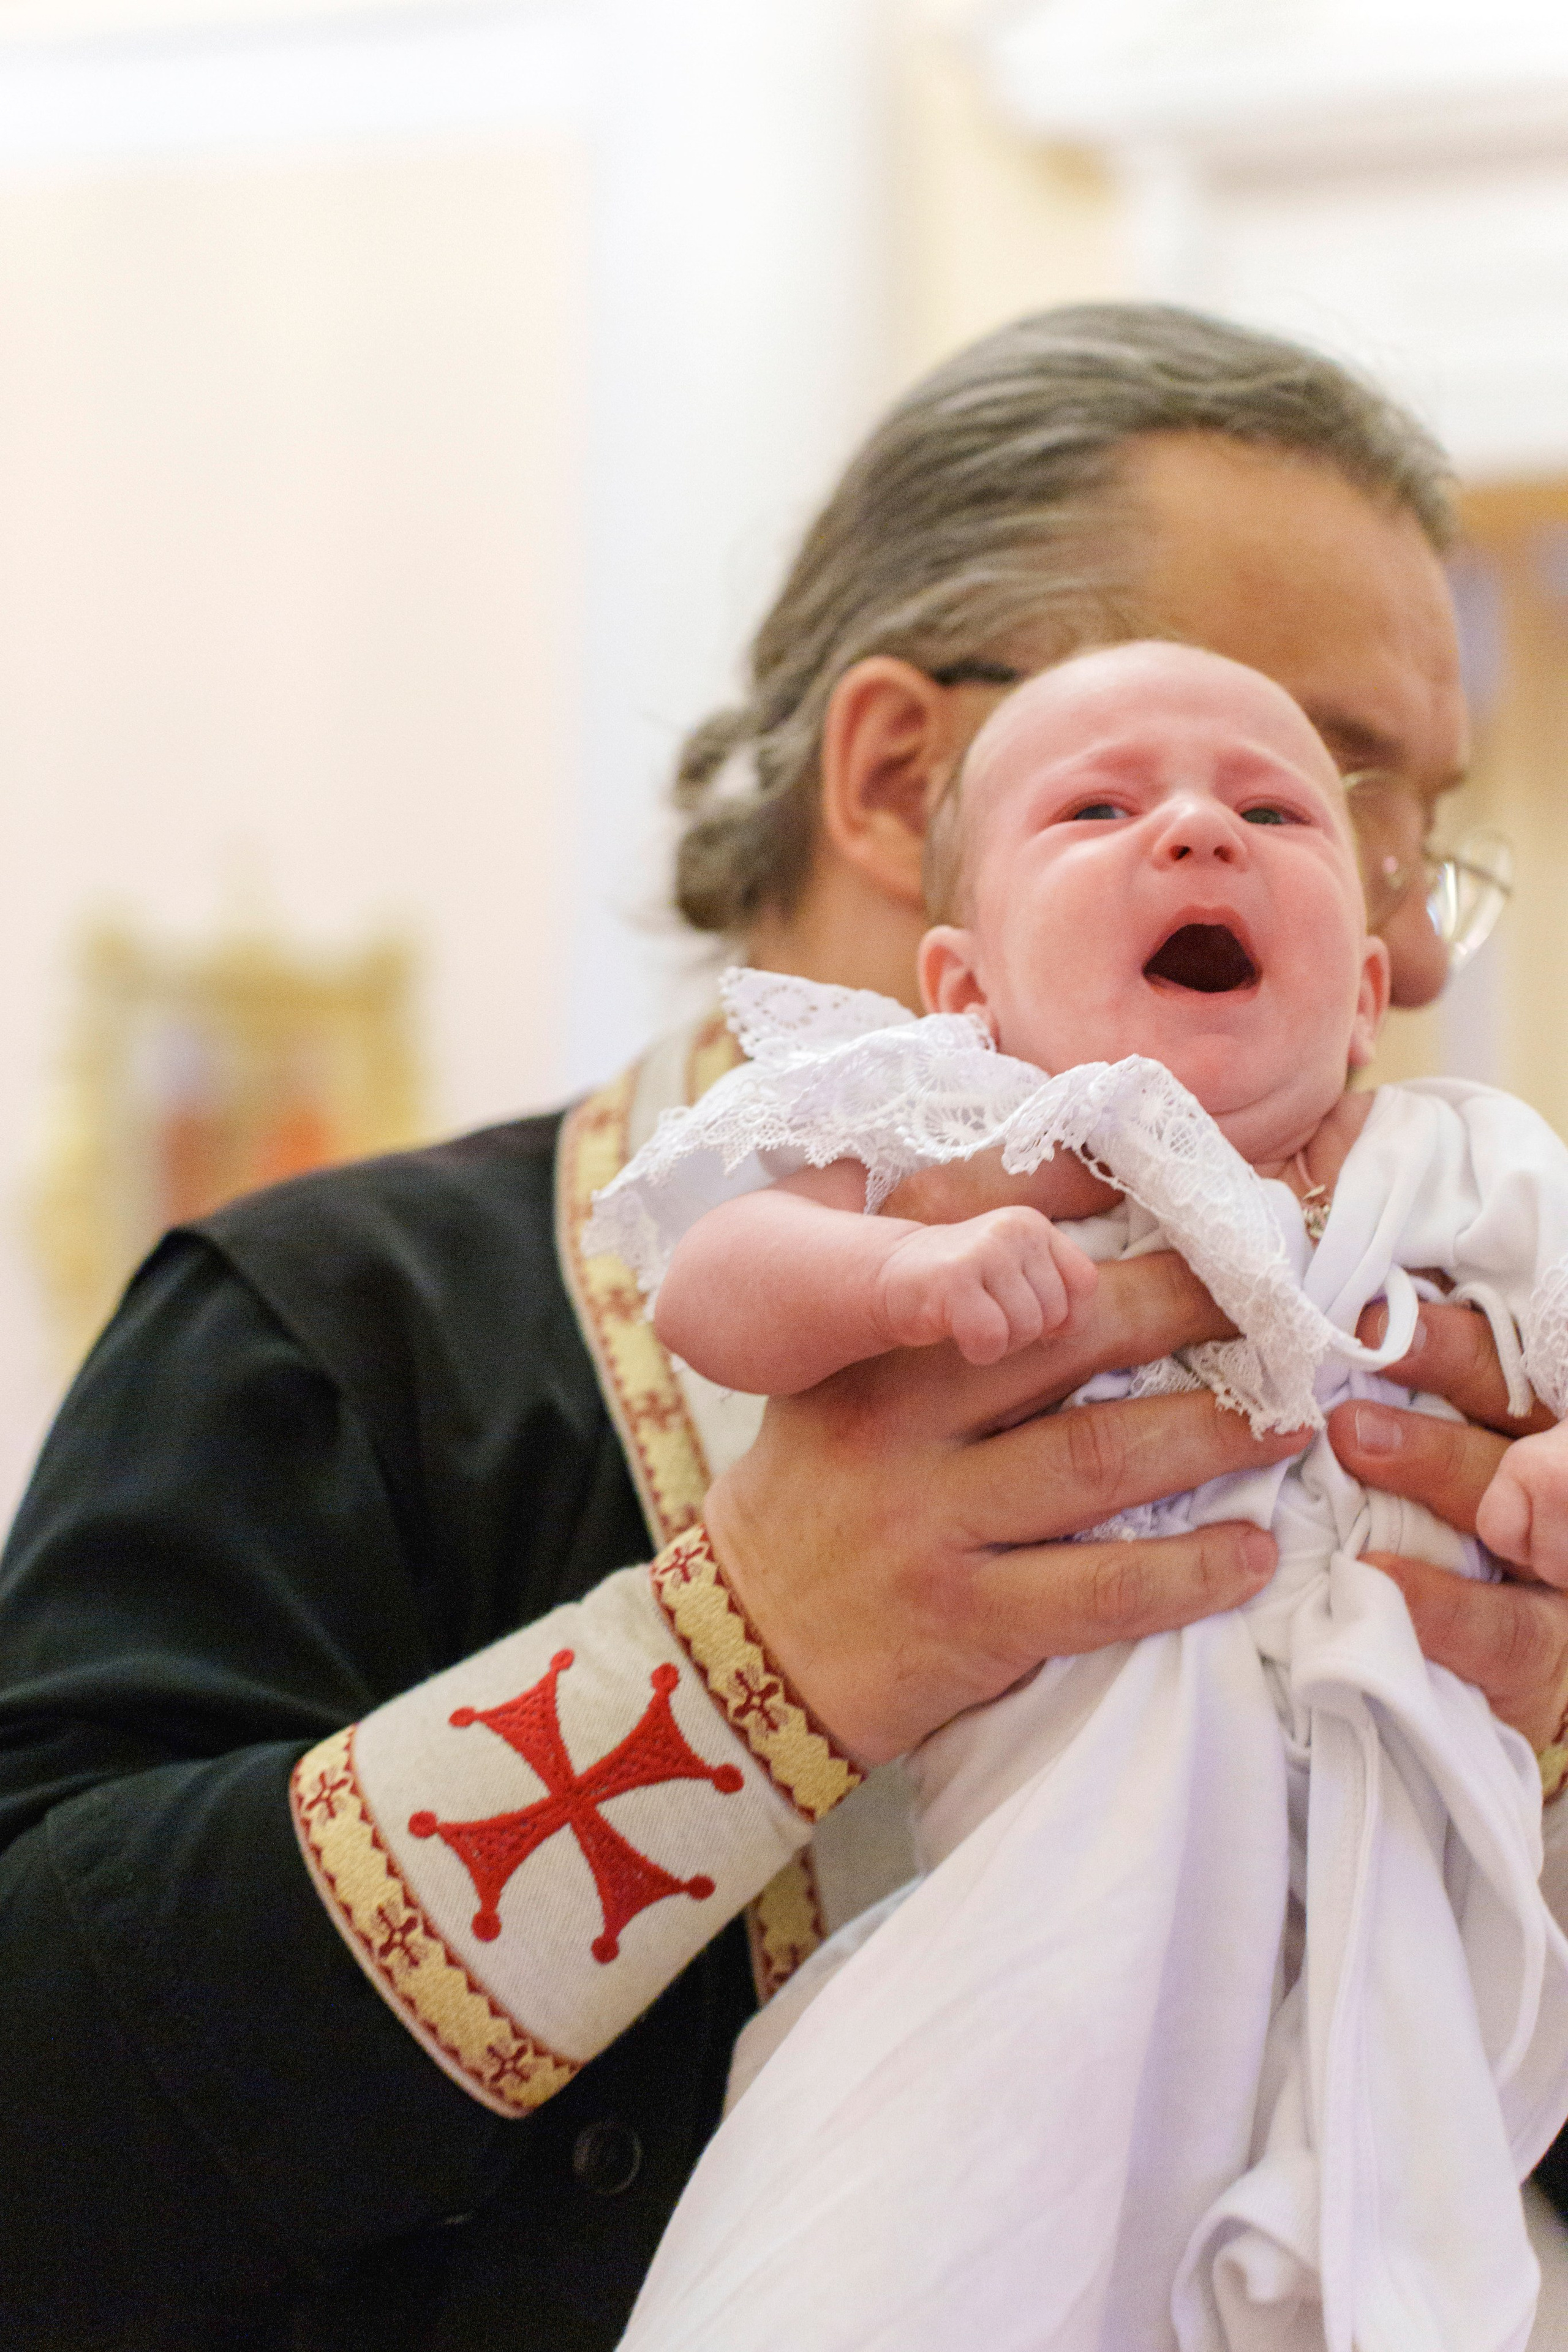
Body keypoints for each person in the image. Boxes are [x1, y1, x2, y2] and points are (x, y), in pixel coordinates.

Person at [1, 306, 1564, 2352]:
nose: (1416, 939)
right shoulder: (337, 1326)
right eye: (1319, 774)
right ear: (902, 771)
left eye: (1391, 819)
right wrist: (760, 1657)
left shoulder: (1441, 1281)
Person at [599, 640, 1568, 2350]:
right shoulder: (958, 1128)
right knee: (899, 2259)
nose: (1199, 829)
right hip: (1044, 1911)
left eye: (1275, 808)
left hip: (1377, 1922)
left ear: (1360, 987)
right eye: (1102, 802)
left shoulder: (1467, 1163)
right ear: (961, 983)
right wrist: (897, 1279)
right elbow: (713, 1286)